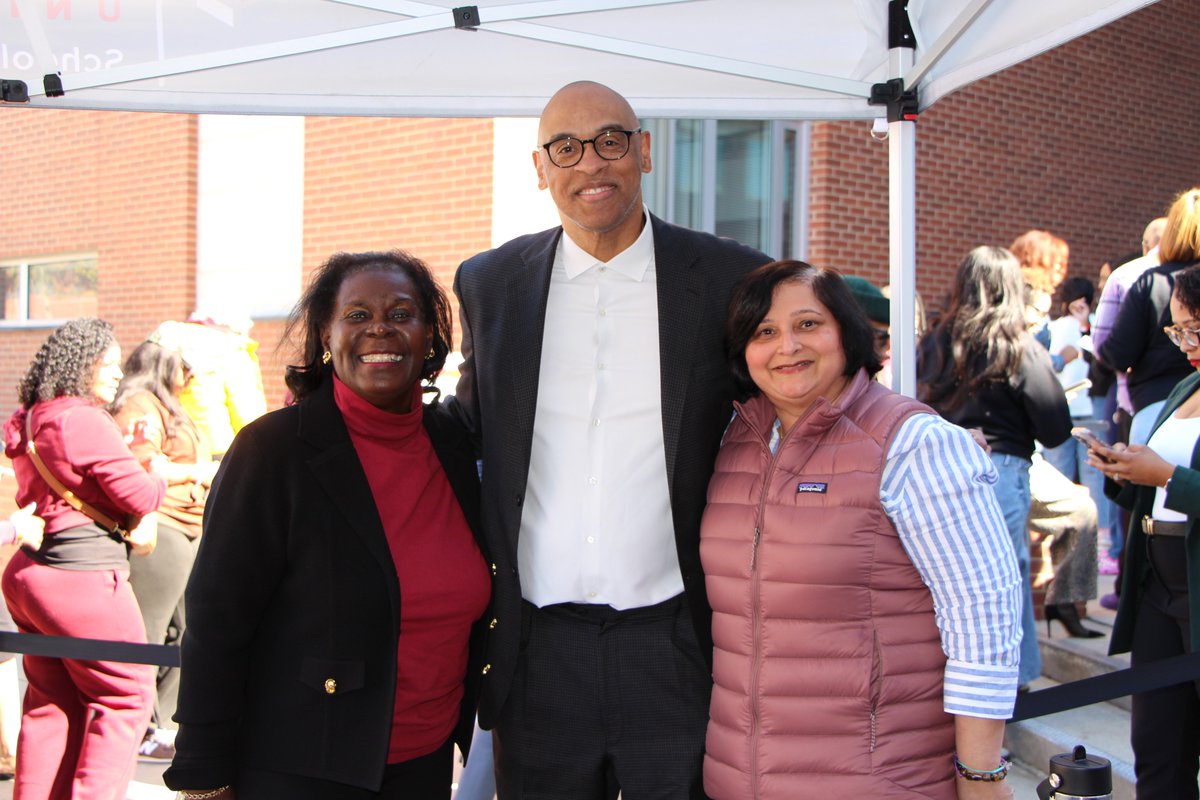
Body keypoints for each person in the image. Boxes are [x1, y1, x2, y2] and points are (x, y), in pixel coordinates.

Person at [450, 80, 771, 798]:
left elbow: (785, 398)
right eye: (566, 147)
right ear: (540, 168)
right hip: (537, 650)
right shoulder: (491, 283)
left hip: (675, 641)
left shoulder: (726, 276)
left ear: (644, 152)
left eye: (610, 141)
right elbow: (466, 427)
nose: (590, 163)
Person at [163, 250, 492, 800]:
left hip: (426, 769)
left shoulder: (454, 447)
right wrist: (201, 776)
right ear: (325, 332)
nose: (380, 329)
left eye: (402, 313)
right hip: (298, 770)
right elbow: (217, 623)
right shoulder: (272, 451)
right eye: (357, 315)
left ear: (430, 333)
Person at [703, 260, 1020, 799]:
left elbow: (984, 617)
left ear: (847, 332)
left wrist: (981, 774)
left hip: (877, 780)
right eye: (765, 332)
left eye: (808, 325)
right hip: (739, 780)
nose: (787, 347)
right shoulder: (733, 441)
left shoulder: (914, 442)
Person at [1, 316, 166, 800]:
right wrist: (157, 472)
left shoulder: (32, 416)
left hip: (31, 577)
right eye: (108, 365)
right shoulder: (83, 419)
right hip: (82, 579)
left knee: (52, 704)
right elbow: (139, 496)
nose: (117, 374)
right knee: (126, 698)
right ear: (81, 365)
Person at [918, 247, 1073, 686]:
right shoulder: (1016, 346)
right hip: (1000, 470)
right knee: (1004, 581)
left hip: (938, 469)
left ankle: (953, 680)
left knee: (942, 579)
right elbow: (1057, 427)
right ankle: (1012, 684)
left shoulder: (932, 342)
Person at [1084, 263, 1200, 800]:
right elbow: (1156, 484)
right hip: (1157, 583)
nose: (1184, 343)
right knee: (1156, 750)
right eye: (1177, 330)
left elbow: (1173, 479)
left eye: (1196, 328)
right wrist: (1123, 472)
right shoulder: (1184, 386)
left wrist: (1169, 477)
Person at [109, 339, 218, 761]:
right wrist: (198, 472)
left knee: (186, 630)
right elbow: (140, 466)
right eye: (185, 368)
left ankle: (168, 723)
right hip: (165, 527)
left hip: (189, 527)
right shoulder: (139, 405)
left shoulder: (167, 404)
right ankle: (141, 726)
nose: (189, 377)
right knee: (150, 631)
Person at [149, 310, 268, 458]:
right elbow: (246, 410)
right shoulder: (234, 348)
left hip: (182, 440)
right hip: (222, 444)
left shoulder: (180, 346)